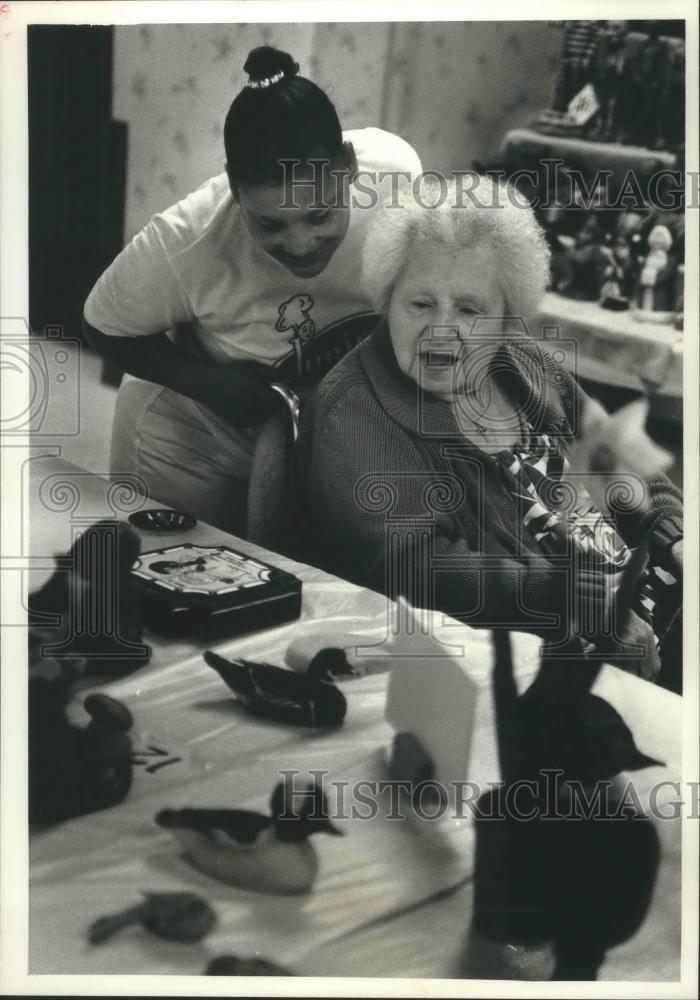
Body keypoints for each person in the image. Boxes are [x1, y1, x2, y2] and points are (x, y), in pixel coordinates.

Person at [299, 176, 683, 683]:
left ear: (507, 318)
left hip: (650, 603)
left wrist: (673, 532)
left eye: (469, 309)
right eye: (420, 303)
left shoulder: (522, 361)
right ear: (387, 299)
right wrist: (570, 599)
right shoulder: (354, 411)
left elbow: (619, 459)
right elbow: (414, 568)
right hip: (543, 660)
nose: (441, 328)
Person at [83, 46, 422, 534]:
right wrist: (209, 384)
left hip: (310, 442)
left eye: (321, 214)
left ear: (348, 166)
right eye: (269, 224)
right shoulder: (190, 239)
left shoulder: (398, 179)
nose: (301, 245)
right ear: (236, 189)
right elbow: (101, 323)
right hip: (189, 441)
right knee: (184, 583)